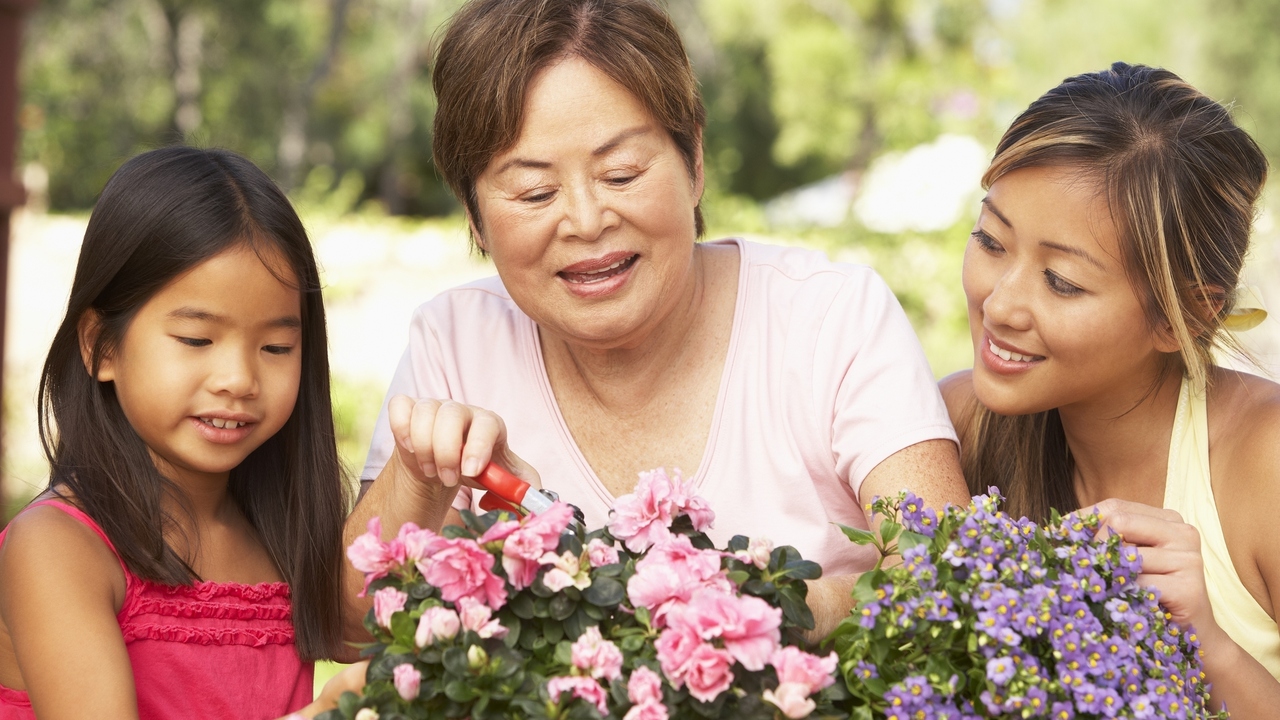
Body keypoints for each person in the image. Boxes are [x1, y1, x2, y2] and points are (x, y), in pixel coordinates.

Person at [348, 0, 970, 642]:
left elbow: (945, 575)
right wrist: (420, 483)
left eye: (622, 173)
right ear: (474, 216)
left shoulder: (831, 320)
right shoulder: (455, 344)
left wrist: (773, 611)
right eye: (535, 193)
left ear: (694, 163)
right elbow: (350, 629)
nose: (587, 221)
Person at [941, 62, 1280, 712]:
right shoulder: (955, 424)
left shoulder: (1264, 462)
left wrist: (1210, 646)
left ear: (1187, 314)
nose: (1000, 304)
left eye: (1062, 282)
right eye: (990, 240)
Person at [0, 147, 366, 719]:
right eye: (197, 340)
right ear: (101, 346)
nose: (239, 380)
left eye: (275, 348)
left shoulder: (281, 533)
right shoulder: (57, 548)